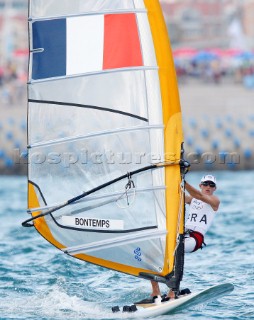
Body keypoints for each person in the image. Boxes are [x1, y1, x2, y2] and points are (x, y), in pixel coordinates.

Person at [137, 174, 220, 303]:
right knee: (149, 254)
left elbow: (199, 196)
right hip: (181, 235)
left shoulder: (215, 201)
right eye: (205, 184)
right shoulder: (192, 200)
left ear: (215, 188)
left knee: (176, 250)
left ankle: (173, 291)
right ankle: (155, 292)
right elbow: (175, 196)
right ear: (201, 185)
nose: (208, 187)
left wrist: (182, 180)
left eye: (211, 185)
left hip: (195, 239)